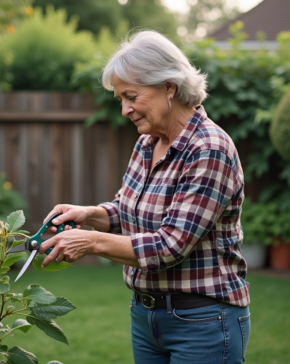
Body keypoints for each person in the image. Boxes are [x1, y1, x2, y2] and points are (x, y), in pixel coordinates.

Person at [40, 30, 250, 364]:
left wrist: (91, 242)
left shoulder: (209, 149)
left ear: (169, 87)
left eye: (131, 96)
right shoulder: (147, 143)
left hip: (203, 322)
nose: (125, 110)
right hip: (146, 316)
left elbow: (171, 245)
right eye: (121, 99)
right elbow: (127, 210)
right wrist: (88, 214)